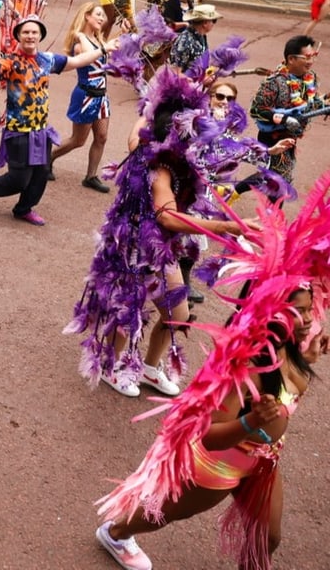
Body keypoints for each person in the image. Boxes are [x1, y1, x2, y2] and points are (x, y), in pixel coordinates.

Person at [96, 285, 327, 570]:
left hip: (264, 461)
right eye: (299, 311)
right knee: (163, 515)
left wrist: (308, 356)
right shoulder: (243, 366)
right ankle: (116, 534)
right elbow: (209, 437)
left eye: (308, 309)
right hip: (219, 464)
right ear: (271, 313)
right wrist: (251, 421)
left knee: (267, 538)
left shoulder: (289, 346)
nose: (309, 319)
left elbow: (290, 376)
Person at [65, 83, 259, 398]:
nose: (202, 129)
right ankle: (113, 367)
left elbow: (138, 131)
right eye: (195, 125)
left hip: (161, 247)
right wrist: (229, 227)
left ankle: (150, 368)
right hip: (135, 248)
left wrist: (154, 102)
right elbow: (166, 216)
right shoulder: (160, 165)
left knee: (177, 315)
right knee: (129, 314)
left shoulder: (166, 154)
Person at [0, 15, 113, 226]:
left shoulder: (47, 59)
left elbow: (78, 61)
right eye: (26, 32)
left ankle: (23, 209)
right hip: (19, 131)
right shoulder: (10, 62)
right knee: (18, 180)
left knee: (40, 175)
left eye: (34, 32)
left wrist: (104, 50)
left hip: (41, 131)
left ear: (40, 35)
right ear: (18, 36)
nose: (30, 36)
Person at [51, 3, 120, 193]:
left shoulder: (97, 40)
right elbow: (91, 56)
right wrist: (86, 36)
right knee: (78, 140)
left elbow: (104, 51)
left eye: (102, 16)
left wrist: (122, 33)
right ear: (87, 16)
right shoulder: (80, 42)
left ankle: (91, 176)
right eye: (98, 15)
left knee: (102, 137)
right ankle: (48, 158)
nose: (102, 19)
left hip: (101, 96)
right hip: (86, 96)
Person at [250, 34, 328, 185]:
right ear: (291, 59)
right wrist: (285, 119)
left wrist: (325, 106)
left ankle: (235, 191)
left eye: (314, 56)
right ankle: (272, 208)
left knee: (273, 179)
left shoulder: (310, 78)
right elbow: (257, 110)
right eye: (307, 57)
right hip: (272, 137)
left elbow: (311, 104)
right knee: (279, 181)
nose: (311, 61)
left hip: (291, 136)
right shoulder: (275, 82)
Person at [170, 4, 222, 72]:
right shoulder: (185, 42)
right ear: (205, 23)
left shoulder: (201, 36)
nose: (213, 24)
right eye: (214, 20)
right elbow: (175, 72)